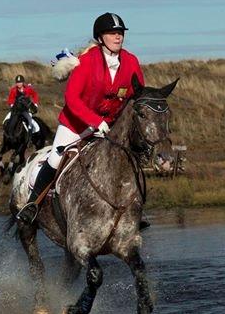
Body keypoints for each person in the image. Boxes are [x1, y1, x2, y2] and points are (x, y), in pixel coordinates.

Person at [16, 12, 145, 223]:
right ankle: (33, 203)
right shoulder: (86, 61)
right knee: (56, 158)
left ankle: (135, 211)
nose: (118, 37)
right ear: (100, 37)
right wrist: (95, 121)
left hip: (110, 128)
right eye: (112, 33)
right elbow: (72, 98)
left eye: (120, 33)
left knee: (126, 162)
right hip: (75, 125)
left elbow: (137, 94)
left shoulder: (131, 61)